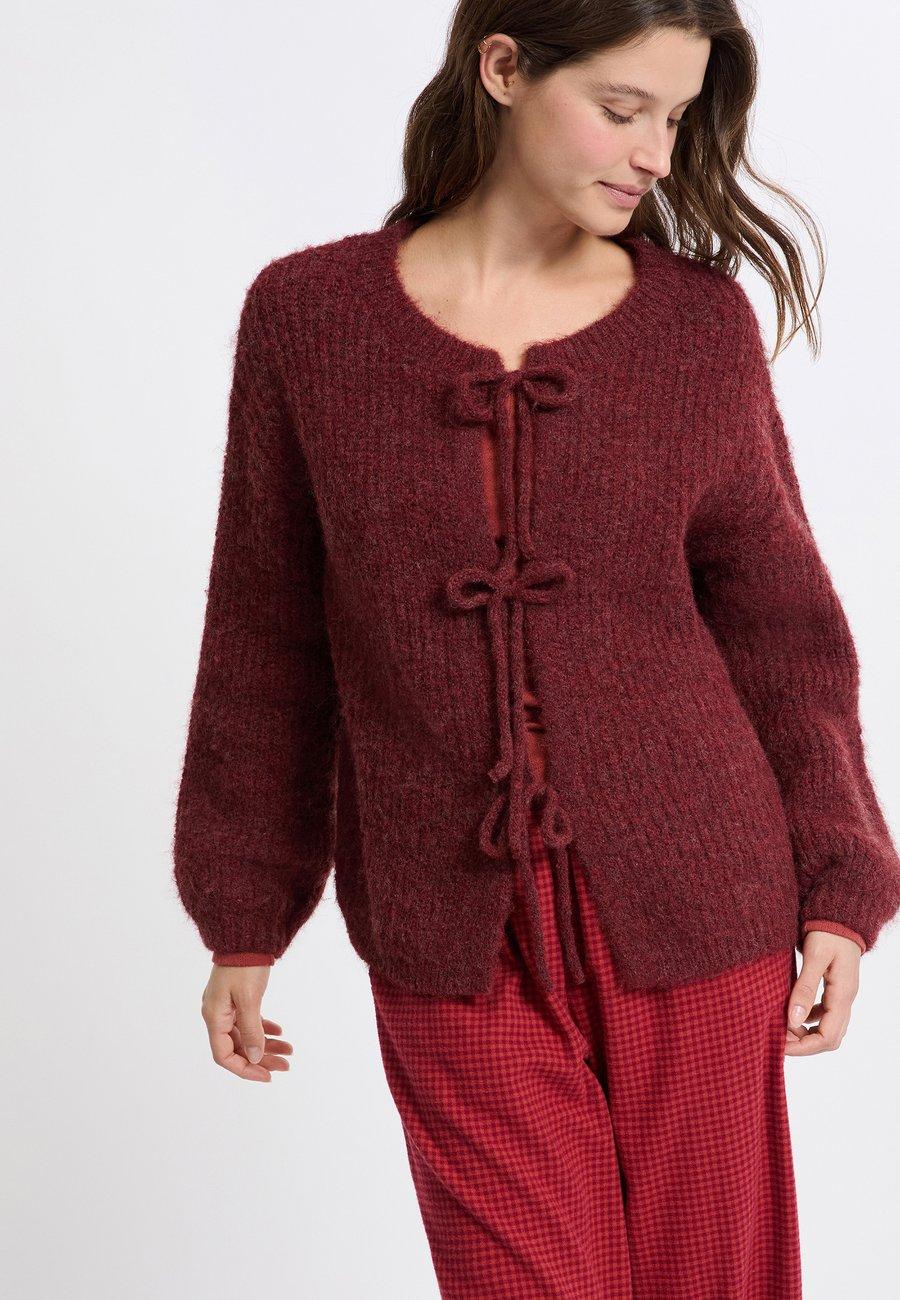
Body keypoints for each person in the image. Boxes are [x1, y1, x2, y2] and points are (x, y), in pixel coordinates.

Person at [171, 3, 900, 1295]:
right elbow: (265, 630)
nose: (656, 154)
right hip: (445, 926)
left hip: (701, 906)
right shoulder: (310, 319)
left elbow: (782, 623)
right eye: (622, 110)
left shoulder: (695, 329)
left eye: (676, 119)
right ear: (503, 68)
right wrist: (243, 913)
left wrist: (843, 883)